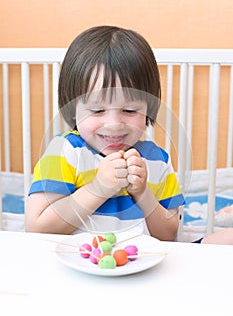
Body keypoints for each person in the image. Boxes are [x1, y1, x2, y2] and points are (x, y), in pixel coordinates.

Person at [25, 25, 185, 240]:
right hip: (76, 267)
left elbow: (168, 235)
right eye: (97, 110)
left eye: (129, 110)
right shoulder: (65, 151)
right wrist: (98, 188)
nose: (114, 124)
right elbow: (36, 227)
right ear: (73, 108)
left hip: (138, 267)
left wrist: (142, 192)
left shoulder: (157, 160)